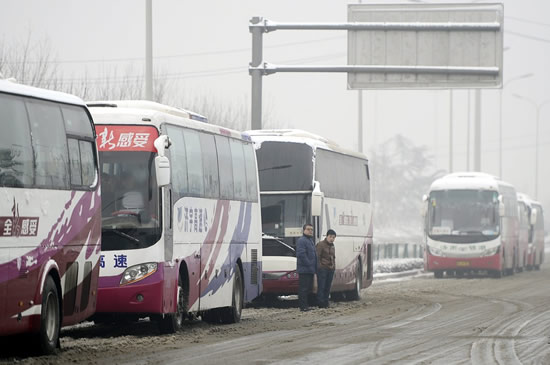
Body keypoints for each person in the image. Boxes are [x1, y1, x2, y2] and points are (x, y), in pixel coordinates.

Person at [296, 223, 317, 312]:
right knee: (303, 289)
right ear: (304, 230)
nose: (310, 231)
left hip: (310, 269)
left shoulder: (310, 240)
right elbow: (301, 254)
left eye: (311, 229)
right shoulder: (302, 240)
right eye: (308, 229)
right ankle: (303, 306)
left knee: (308, 288)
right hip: (304, 269)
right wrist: (309, 264)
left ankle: (306, 305)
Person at [316, 229, 336, 308]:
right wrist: (320, 266)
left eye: (333, 237)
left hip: (330, 269)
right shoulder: (321, 245)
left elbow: (333, 257)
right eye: (330, 237)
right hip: (322, 269)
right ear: (327, 236)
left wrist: (334, 267)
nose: (332, 239)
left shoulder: (332, 246)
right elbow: (317, 256)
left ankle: (326, 302)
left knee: (328, 286)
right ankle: (321, 303)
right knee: (322, 286)